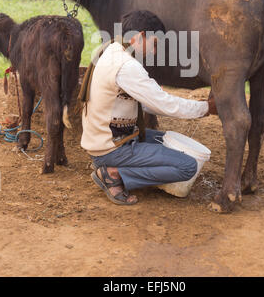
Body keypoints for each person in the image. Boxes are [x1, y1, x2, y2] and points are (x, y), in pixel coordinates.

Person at [80, 10, 218, 205]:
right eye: (154, 44)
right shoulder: (126, 66)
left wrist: (152, 94)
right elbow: (165, 105)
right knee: (188, 166)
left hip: (110, 139)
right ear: (141, 36)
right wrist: (206, 108)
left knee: (167, 139)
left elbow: (148, 103)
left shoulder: (111, 49)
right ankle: (115, 174)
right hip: (111, 149)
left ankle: (116, 169)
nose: (154, 52)